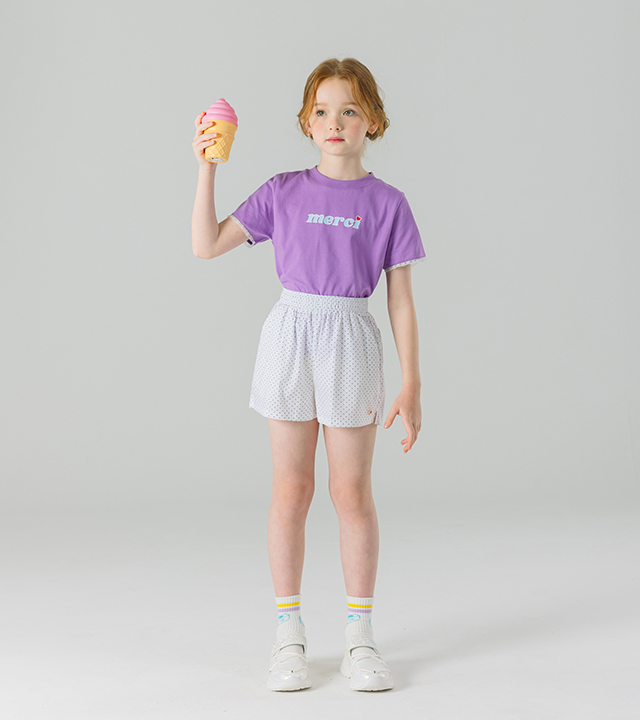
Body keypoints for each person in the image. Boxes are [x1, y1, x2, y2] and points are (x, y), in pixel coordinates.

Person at [191, 57, 425, 693]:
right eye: (321, 111)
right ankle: (288, 634)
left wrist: (411, 382)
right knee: (290, 491)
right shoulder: (282, 191)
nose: (334, 122)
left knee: (351, 494)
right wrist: (208, 166)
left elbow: (401, 300)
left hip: (352, 338)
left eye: (349, 110)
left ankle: (359, 637)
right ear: (306, 121)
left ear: (372, 120)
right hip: (290, 336)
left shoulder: (388, 203)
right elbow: (206, 244)